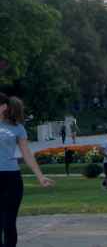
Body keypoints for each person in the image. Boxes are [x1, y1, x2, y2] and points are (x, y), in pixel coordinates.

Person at [1, 94, 54, 245]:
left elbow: (27, 154)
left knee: (9, 223)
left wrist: (40, 176)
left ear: (4, 107)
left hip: (12, 179)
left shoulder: (18, 128)